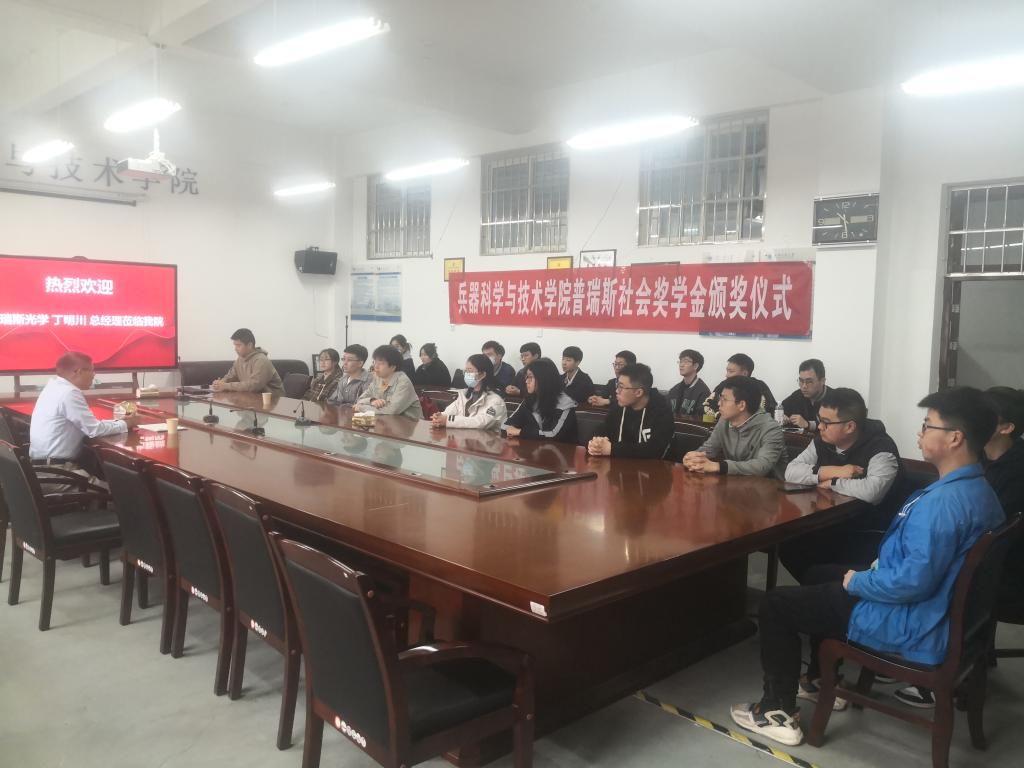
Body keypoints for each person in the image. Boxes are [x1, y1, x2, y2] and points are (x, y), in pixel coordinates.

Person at [729, 387, 1004, 747]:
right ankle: (819, 680)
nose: (919, 433)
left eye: (927, 425)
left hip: (913, 619)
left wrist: (858, 581)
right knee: (816, 574)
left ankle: (775, 710)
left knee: (775, 604)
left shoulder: (943, 504)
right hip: (940, 612)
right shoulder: (978, 488)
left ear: (955, 438)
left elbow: (912, 582)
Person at [895, 386, 1024, 710]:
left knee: (929, 576)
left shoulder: (1015, 472)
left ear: (1007, 428)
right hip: (988, 563)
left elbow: (986, 532)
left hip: (1007, 575)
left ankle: (935, 672)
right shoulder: (982, 459)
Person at [778, 387, 904, 584]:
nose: (820, 427)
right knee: (788, 547)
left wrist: (834, 483)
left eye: (826, 423)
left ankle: (828, 592)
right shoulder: (823, 441)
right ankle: (820, 592)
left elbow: (872, 491)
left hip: (871, 533)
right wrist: (835, 471)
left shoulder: (881, 448)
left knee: (815, 565)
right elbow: (791, 471)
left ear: (850, 427)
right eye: (819, 420)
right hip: (833, 524)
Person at [29, 351, 139, 487]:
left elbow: (91, 425)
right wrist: (126, 424)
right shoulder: (69, 393)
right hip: (58, 474)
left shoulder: (53, 387)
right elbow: (94, 430)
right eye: (92, 370)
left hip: (42, 471)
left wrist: (120, 422)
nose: (94, 375)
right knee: (121, 491)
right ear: (78, 371)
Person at [683, 376, 787, 478]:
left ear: (741, 405)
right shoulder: (724, 420)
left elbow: (762, 466)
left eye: (724, 399)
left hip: (770, 486)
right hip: (737, 483)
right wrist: (692, 458)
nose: (718, 403)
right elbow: (709, 449)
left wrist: (719, 466)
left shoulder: (771, 429)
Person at [588, 363, 673, 459]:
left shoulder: (662, 412)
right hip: (618, 465)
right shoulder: (618, 407)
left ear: (638, 392)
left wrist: (612, 449)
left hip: (654, 467)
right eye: (617, 386)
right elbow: (599, 431)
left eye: (621, 387)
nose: (617, 391)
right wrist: (595, 444)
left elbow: (655, 450)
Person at [504, 357, 579, 444]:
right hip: (534, 447)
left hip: (562, 450)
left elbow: (553, 435)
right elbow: (506, 424)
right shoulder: (530, 400)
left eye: (530, 377)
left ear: (544, 379)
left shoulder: (565, 404)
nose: (526, 381)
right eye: (526, 377)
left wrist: (520, 432)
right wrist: (510, 429)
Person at [430, 354, 507, 431]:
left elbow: (481, 422)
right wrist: (439, 417)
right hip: (464, 436)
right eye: (465, 371)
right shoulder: (464, 394)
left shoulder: (496, 401)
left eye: (470, 371)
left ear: (482, 374)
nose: (466, 374)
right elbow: (450, 411)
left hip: (487, 438)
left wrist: (448, 420)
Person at [356, 345, 423, 419]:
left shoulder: (403, 382)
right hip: (386, 422)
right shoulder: (378, 379)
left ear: (393, 367)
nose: (376, 366)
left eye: (381, 363)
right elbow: (360, 400)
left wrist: (361, 408)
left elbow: (391, 411)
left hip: (411, 423)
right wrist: (372, 401)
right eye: (374, 362)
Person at [211, 328, 285, 395]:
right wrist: (220, 383)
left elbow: (254, 386)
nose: (235, 349)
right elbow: (231, 376)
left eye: (238, 345)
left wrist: (226, 386)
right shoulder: (240, 359)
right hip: (253, 398)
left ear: (249, 345)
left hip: (275, 401)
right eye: (235, 345)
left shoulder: (261, 360)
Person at [709, 353, 777, 414]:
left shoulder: (760, 386)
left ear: (744, 373)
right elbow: (708, 406)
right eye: (727, 371)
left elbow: (771, 409)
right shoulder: (724, 384)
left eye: (731, 372)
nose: (727, 375)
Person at [781, 359, 830, 431]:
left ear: (822, 381)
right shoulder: (797, 395)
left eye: (809, 382)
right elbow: (778, 409)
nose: (804, 386)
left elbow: (834, 428)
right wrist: (781, 416)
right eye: (801, 381)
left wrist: (808, 424)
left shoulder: (834, 399)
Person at [667, 349, 711, 418]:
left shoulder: (703, 392)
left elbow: (700, 419)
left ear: (695, 366)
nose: (681, 365)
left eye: (686, 361)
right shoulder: (674, 390)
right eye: (680, 361)